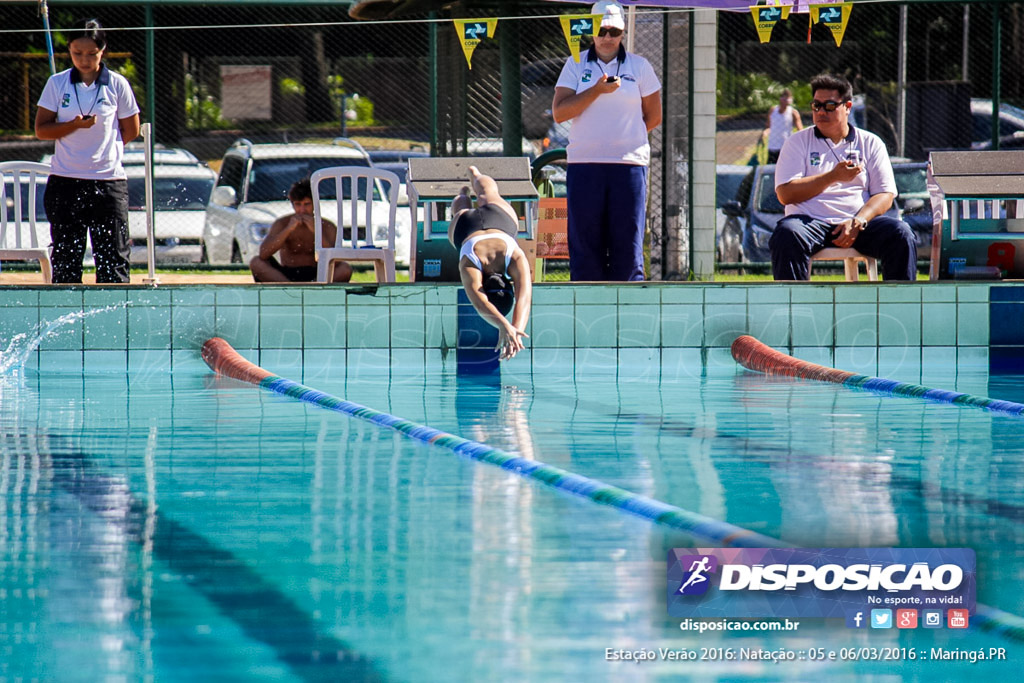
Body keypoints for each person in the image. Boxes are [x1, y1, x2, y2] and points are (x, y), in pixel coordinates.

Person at [551, 0, 662, 282]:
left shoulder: (640, 66)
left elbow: (653, 116)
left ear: (623, 32)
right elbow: (560, 112)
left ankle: (629, 308)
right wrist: (597, 91)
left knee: (628, 242)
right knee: (586, 245)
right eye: (602, 31)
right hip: (585, 165)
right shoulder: (574, 65)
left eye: (614, 31)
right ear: (591, 32)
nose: (608, 37)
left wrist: (624, 140)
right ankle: (588, 309)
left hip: (628, 166)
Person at [770, 73, 917, 281]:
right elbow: (785, 194)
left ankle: (899, 307)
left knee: (900, 233)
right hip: (810, 223)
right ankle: (795, 308)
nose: (821, 111)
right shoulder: (797, 142)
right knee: (786, 234)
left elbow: (885, 194)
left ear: (847, 106)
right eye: (816, 106)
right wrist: (832, 176)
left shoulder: (870, 142)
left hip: (857, 222)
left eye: (829, 106)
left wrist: (858, 221)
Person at [35, 18, 140, 284]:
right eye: (77, 53)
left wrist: (104, 150)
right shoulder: (57, 84)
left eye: (91, 54)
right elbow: (42, 129)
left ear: (103, 50)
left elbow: (131, 130)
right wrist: (72, 126)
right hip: (66, 182)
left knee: (113, 260)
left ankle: (114, 319)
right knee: (67, 260)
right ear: (69, 49)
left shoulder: (117, 84)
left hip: (108, 183)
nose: (84, 60)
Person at [449, 166, 532, 361]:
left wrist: (515, 329)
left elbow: (524, 298)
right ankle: (462, 194)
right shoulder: (470, 263)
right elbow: (480, 303)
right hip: (465, 226)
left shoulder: (515, 258)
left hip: (500, 220)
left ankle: (475, 175)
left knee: (489, 193)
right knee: (461, 210)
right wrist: (507, 327)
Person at [250, 178, 353, 283]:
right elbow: (263, 254)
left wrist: (317, 232)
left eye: (307, 204)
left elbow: (335, 260)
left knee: (345, 269)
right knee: (256, 262)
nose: (302, 210)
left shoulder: (327, 226)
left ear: (314, 204)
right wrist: (288, 229)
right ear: (292, 204)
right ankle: (290, 289)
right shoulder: (282, 223)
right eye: (298, 204)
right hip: (286, 274)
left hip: (317, 274)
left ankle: (314, 289)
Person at [764, 88, 803, 164]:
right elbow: (769, 126)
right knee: (771, 169)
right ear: (780, 99)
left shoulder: (793, 113)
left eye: (787, 100)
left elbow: (800, 130)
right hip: (773, 146)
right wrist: (765, 132)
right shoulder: (773, 110)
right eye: (784, 99)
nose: (785, 103)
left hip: (785, 147)